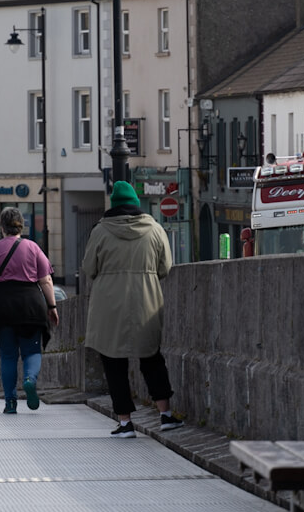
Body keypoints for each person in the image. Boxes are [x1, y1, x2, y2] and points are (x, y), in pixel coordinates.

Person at [81, 181, 184, 437]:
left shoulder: (101, 231)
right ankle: (166, 415)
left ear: (113, 205)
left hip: (108, 304)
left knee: (113, 362)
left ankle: (125, 422)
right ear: (136, 205)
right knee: (151, 357)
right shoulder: (155, 229)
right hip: (145, 300)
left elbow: (88, 268)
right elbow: (166, 267)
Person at [0, 207, 59, 414]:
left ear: (1, 227)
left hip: (2, 306)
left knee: (8, 356)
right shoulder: (33, 248)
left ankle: (10, 402)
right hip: (31, 305)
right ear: (21, 226)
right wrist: (52, 306)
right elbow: (46, 280)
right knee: (32, 350)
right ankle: (29, 379)